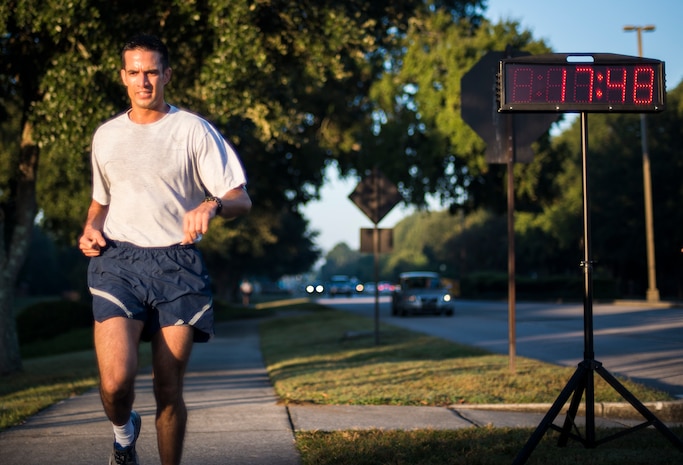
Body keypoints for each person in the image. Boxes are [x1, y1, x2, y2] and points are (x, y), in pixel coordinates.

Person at [78, 34, 251, 465]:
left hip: (177, 265)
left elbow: (240, 199)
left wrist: (212, 206)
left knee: (167, 388)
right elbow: (101, 202)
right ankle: (123, 435)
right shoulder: (106, 136)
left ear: (167, 75)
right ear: (123, 77)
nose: (144, 81)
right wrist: (89, 229)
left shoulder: (192, 130)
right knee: (116, 383)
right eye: (134, 72)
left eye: (152, 71)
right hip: (118, 262)